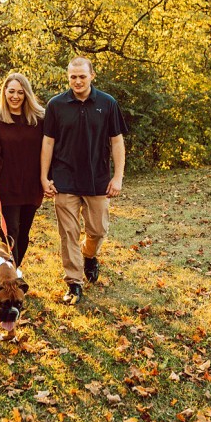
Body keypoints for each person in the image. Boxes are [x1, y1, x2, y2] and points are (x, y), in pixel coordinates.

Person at [41, 57, 128, 305]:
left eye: (82, 76)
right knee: (68, 233)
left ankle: (89, 256)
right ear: (68, 77)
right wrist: (44, 176)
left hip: (97, 179)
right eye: (73, 77)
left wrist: (118, 177)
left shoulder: (107, 103)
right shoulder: (56, 105)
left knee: (98, 230)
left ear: (92, 76)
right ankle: (74, 283)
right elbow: (48, 142)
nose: (77, 81)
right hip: (64, 178)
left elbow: (117, 141)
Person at [0, 72, 46, 272]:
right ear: (4, 93)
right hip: (6, 187)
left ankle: (14, 270)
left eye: (20, 92)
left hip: (31, 186)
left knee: (24, 233)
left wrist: (49, 178)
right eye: (11, 92)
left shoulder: (39, 120)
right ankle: (13, 278)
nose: (15, 96)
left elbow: (49, 149)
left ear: (27, 94)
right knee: (10, 233)